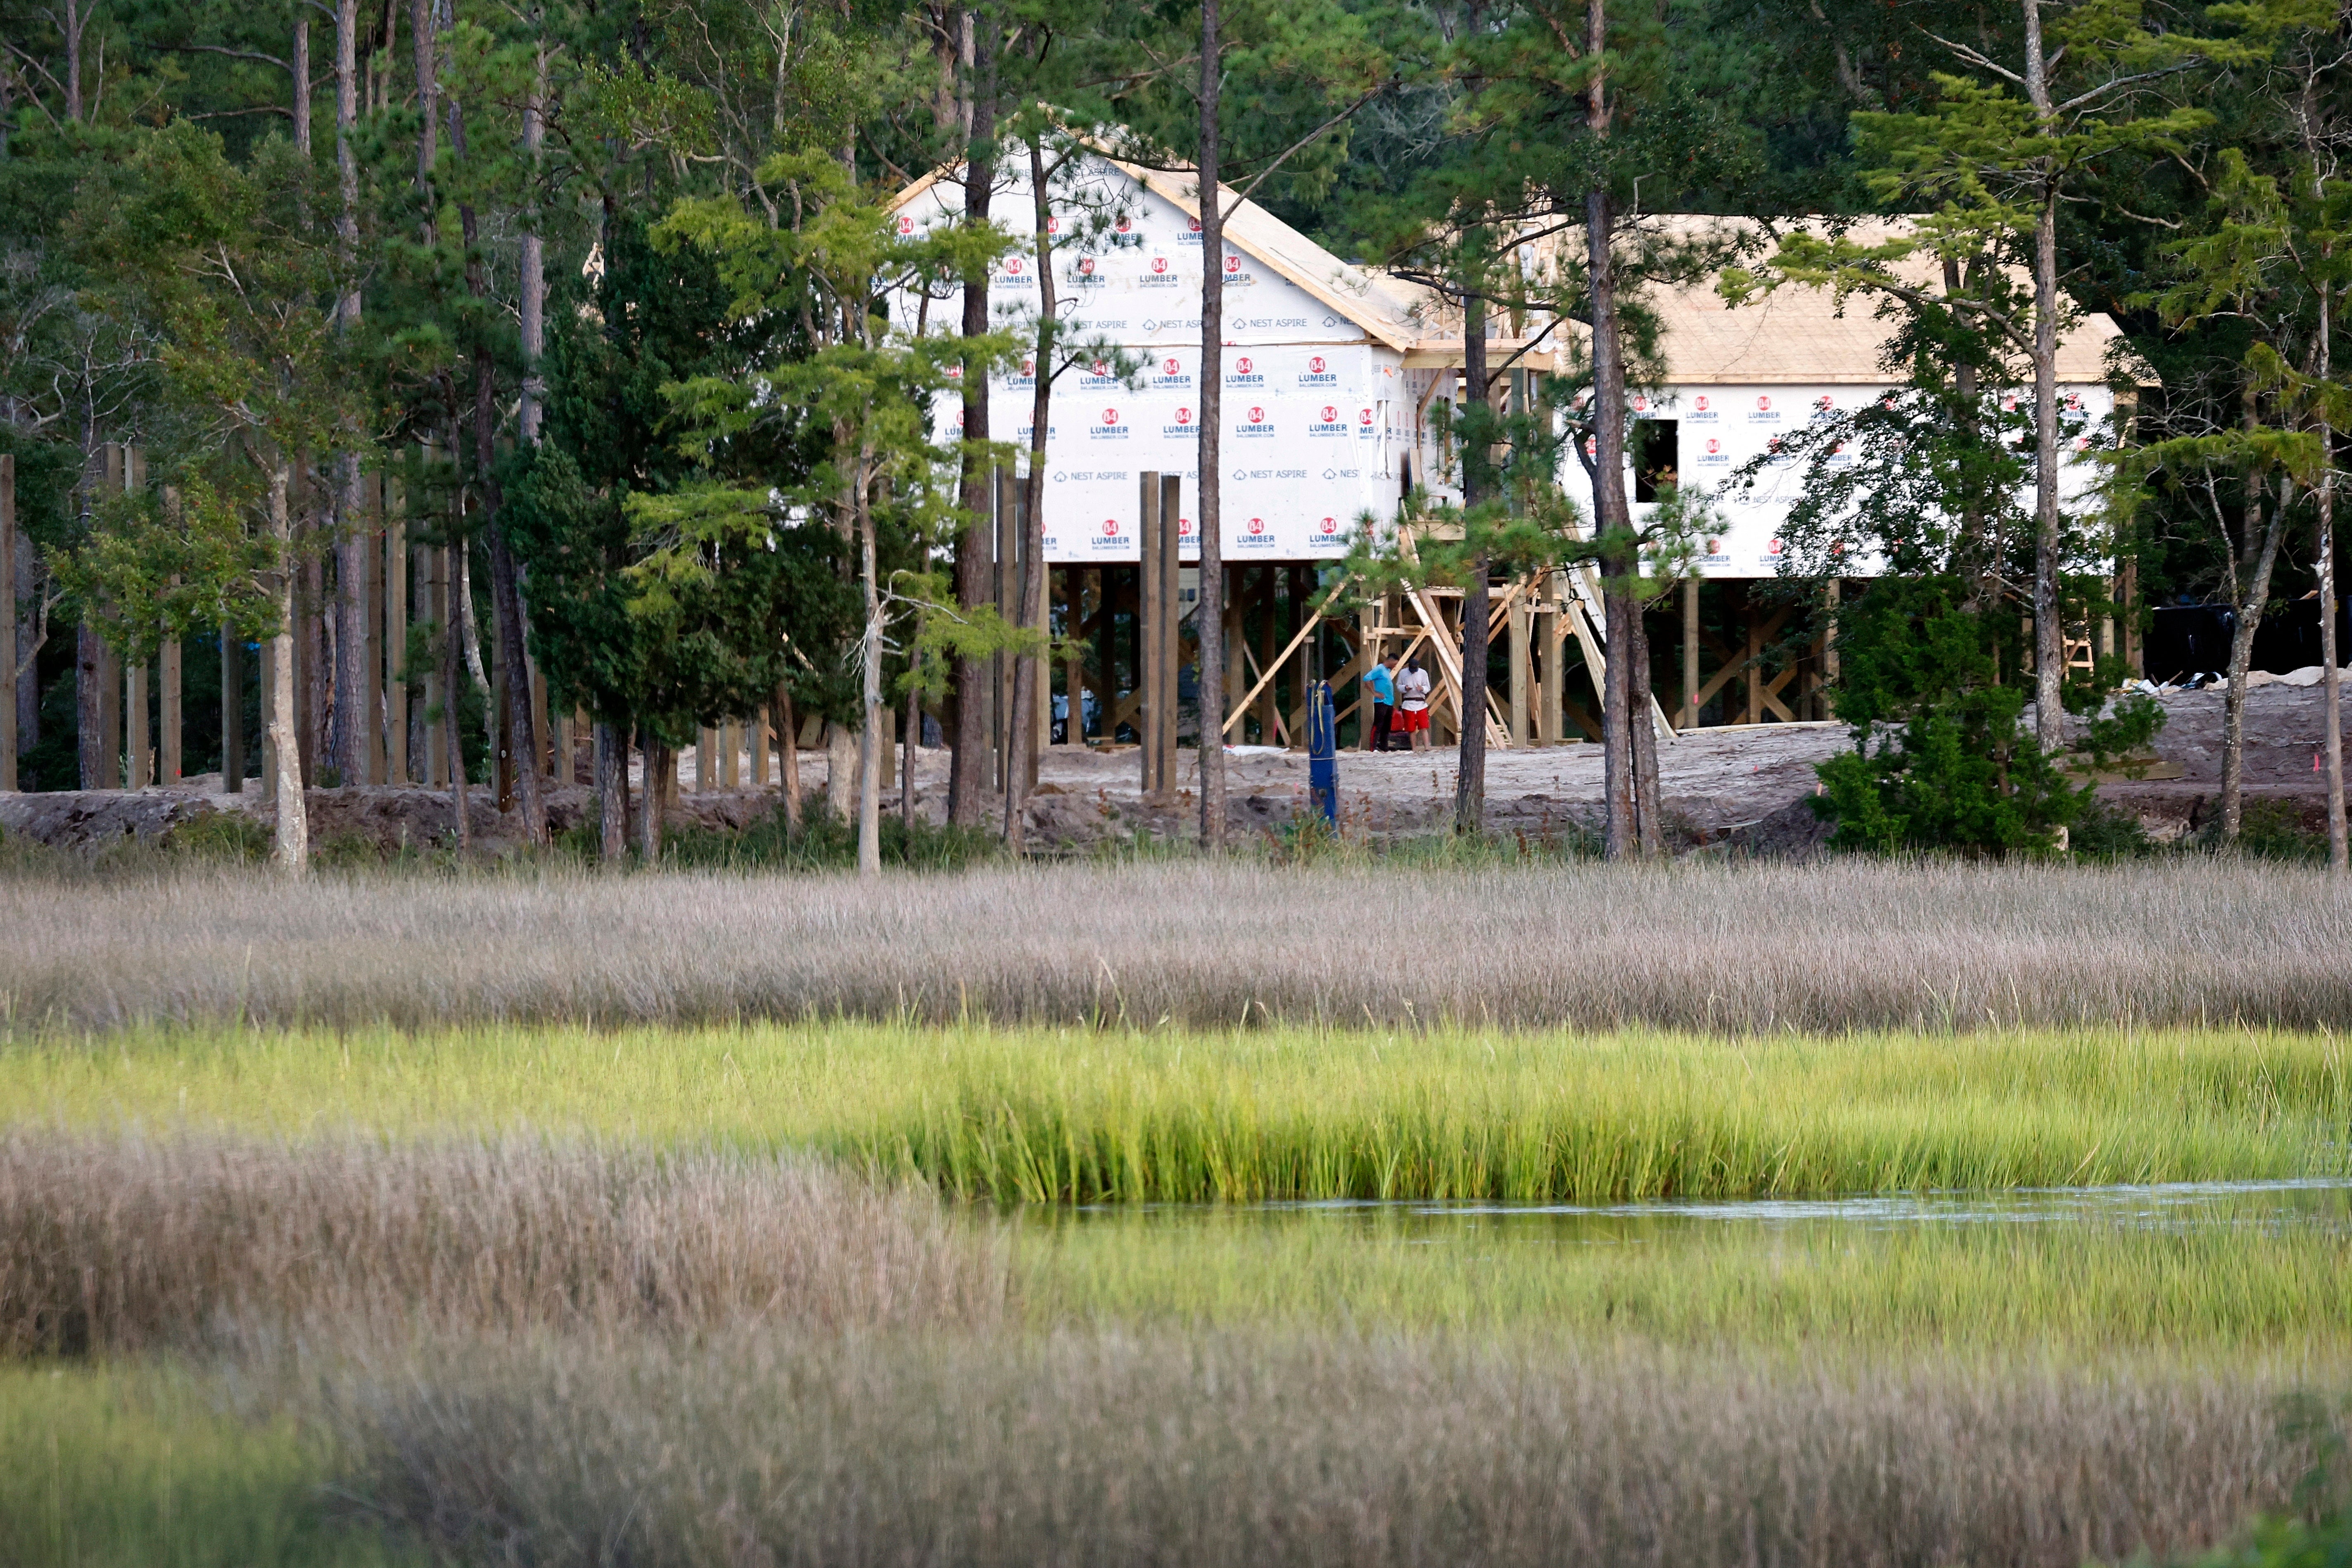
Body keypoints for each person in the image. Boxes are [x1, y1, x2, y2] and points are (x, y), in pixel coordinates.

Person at [1361, 652, 1398, 752]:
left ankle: (1384, 746)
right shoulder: (1380, 669)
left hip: (1389, 702)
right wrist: (1375, 693)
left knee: (1387, 726)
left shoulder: (1387, 671)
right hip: (1381, 702)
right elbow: (1367, 679)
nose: (1395, 666)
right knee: (1378, 724)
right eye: (1395, 664)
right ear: (1391, 660)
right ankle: (1373, 747)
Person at [1393, 657, 1432, 751]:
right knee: (1411, 729)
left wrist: (1422, 689)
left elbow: (1428, 687)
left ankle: (1427, 747)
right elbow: (1399, 686)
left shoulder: (1423, 673)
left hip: (1421, 703)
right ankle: (1414, 748)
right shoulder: (1403, 673)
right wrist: (1405, 688)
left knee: (1424, 726)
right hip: (1408, 703)